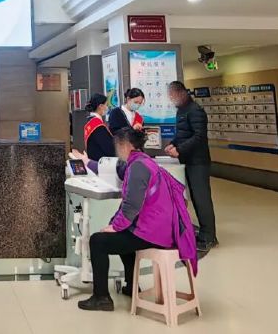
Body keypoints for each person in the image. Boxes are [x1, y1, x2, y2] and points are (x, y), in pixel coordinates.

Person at [73, 127, 197, 312]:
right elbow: (116, 170)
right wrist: (86, 162)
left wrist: (115, 226)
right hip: (162, 228)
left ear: (125, 146)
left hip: (154, 233)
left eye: (118, 146)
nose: (116, 150)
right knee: (123, 234)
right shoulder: (142, 161)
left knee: (98, 241)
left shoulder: (137, 168)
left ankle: (101, 297)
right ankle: (132, 286)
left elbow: (131, 206)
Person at [165, 81, 218, 253]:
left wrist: (179, 149)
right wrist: (173, 144)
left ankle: (209, 237)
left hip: (198, 162)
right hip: (188, 160)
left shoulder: (196, 111)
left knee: (202, 199)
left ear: (181, 93)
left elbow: (198, 137)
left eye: (172, 95)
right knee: (195, 197)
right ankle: (204, 233)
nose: (171, 99)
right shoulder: (182, 110)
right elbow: (182, 134)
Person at [84, 93, 114, 161]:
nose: (107, 107)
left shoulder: (90, 120)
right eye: (106, 105)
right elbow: (108, 147)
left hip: (93, 160)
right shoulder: (97, 124)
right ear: (100, 106)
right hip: (101, 162)